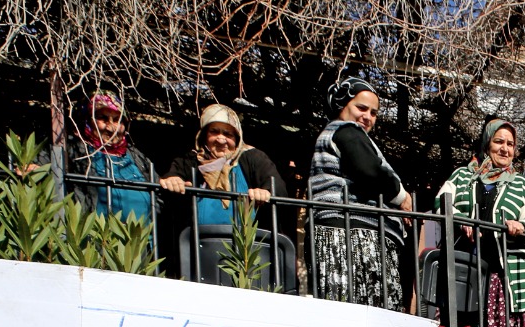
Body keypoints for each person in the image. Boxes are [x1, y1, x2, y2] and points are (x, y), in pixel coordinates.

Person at [438, 117, 525, 327]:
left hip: (500, 272)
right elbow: (441, 204)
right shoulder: (462, 176)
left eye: (510, 144)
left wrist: (519, 227)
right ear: (487, 143)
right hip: (465, 268)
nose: (505, 148)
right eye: (499, 141)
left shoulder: (521, 185)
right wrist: (460, 219)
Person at [310, 77, 414, 311]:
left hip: (352, 234)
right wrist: (401, 196)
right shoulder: (345, 130)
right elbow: (368, 171)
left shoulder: (339, 133)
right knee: (363, 310)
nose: (367, 116)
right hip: (354, 237)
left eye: (374, 112)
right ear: (342, 105)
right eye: (361, 108)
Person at [162, 103, 286, 241]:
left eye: (228, 134)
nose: (221, 140)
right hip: (199, 247)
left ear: (237, 138)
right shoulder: (190, 161)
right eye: (214, 131)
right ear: (203, 135)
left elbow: (277, 187)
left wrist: (265, 192)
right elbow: (172, 177)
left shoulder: (253, 158)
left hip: (246, 248)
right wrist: (173, 181)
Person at [66, 89, 154, 221]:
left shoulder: (136, 156)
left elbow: (157, 190)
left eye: (117, 120)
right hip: (100, 239)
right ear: (87, 121)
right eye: (103, 118)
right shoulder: (76, 150)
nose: (111, 127)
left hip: (142, 240)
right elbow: (49, 162)